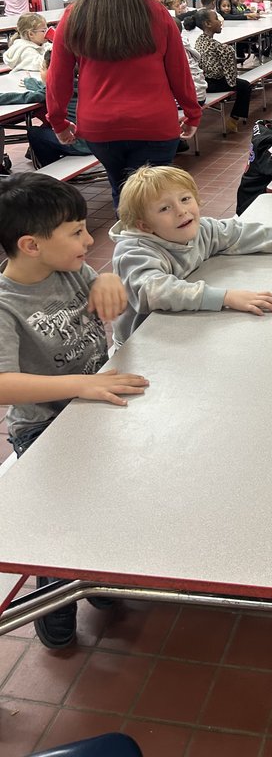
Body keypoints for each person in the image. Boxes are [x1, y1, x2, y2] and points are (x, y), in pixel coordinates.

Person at [0, 173, 148, 648]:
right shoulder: (5, 306)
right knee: (58, 522)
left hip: (91, 409)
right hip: (43, 425)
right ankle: (54, 598)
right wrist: (80, 383)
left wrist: (106, 278)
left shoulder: (71, 270)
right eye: (78, 232)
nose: (90, 239)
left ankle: (98, 578)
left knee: (104, 500)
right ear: (31, 244)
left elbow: (103, 285)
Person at [110, 165, 272, 346]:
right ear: (144, 226)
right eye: (165, 208)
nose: (181, 211)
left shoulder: (201, 229)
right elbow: (155, 292)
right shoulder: (134, 252)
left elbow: (246, 233)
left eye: (185, 199)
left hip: (181, 330)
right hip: (140, 345)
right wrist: (226, 297)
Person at [45, 0, 201, 210]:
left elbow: (58, 79)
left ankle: (129, 250)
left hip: (100, 126)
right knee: (159, 201)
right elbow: (179, 71)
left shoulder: (74, 16)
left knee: (123, 194)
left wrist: (58, 121)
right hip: (155, 122)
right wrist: (192, 111)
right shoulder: (156, 13)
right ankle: (157, 251)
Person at [184, 8, 252, 134]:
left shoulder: (200, 41)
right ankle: (233, 119)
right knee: (245, 86)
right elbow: (228, 78)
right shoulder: (220, 48)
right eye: (216, 19)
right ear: (207, 24)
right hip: (210, 83)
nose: (220, 21)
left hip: (202, 81)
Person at [26, 46, 92, 168]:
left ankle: (51, 170)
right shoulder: (82, 82)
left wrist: (29, 82)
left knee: (34, 133)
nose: (40, 73)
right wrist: (30, 82)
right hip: (99, 141)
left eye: (42, 69)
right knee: (45, 128)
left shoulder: (54, 89)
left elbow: (29, 96)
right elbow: (44, 90)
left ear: (51, 71)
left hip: (79, 144)